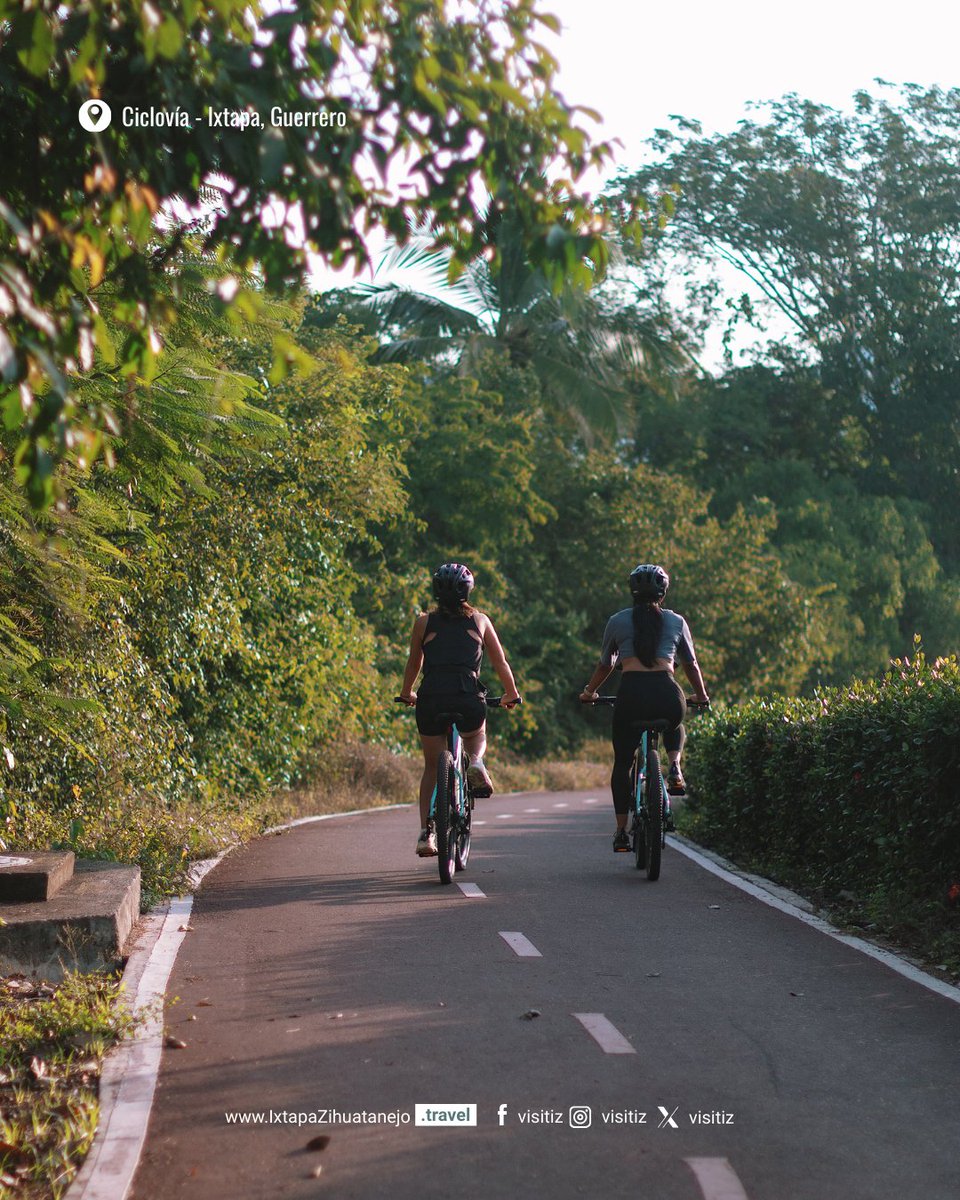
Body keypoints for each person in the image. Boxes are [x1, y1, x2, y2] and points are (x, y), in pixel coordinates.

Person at [579, 563, 710, 852]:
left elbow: (606, 664)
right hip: (667, 694)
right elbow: (690, 664)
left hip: (631, 697)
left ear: (632, 591)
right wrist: (701, 695)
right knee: (675, 721)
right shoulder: (677, 621)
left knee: (623, 763)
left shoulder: (617, 621)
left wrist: (590, 692)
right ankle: (675, 766)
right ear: (663, 592)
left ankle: (621, 832)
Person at [398, 562, 522, 857]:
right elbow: (500, 662)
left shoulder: (423, 622)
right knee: (476, 735)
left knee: (431, 767)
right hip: (468, 697)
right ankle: (476, 761)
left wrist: (407, 693)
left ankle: (426, 834)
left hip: (431, 698)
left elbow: (414, 663)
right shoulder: (480, 620)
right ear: (469, 591)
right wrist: (511, 694)